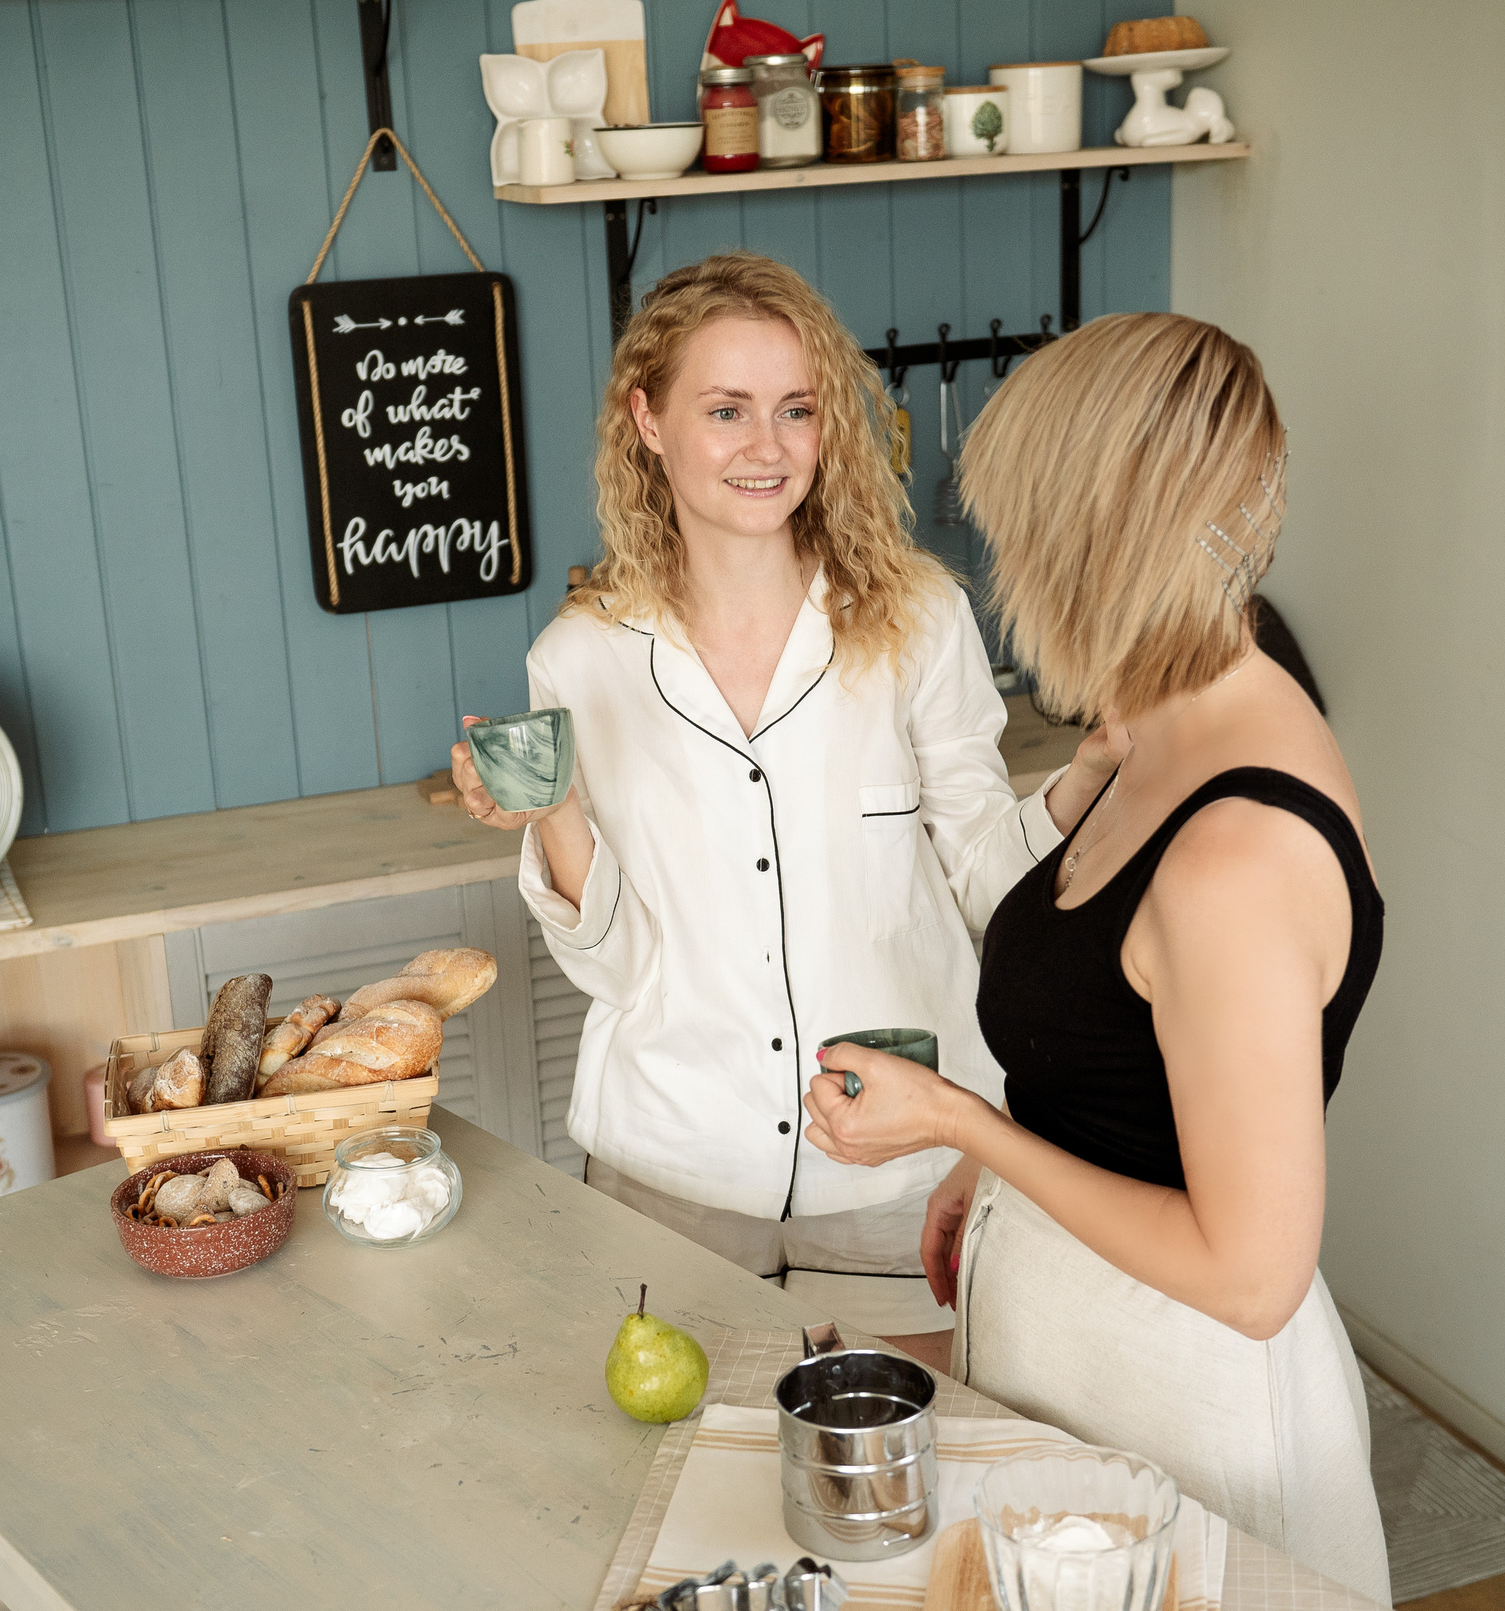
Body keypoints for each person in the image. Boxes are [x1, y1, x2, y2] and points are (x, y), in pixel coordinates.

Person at [799, 313, 1393, 1605]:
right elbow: (1124, 1040)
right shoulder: (1166, 711)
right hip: (1081, 1353)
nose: (1005, 564)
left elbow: (1250, 1276)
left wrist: (961, 1119)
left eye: (1017, 530)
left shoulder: (1234, 856)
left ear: (1092, 543)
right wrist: (991, 1158)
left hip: (1190, 1410)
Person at [451, 252, 1116, 1339]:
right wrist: (553, 809)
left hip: (894, 1162)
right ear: (648, 422)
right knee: (670, 1482)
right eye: (726, 410)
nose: (767, 447)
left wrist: (1088, 773)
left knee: (895, 1477)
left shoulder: (919, 620)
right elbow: (614, 969)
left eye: (796, 410)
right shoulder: (583, 657)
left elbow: (991, 883)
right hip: (672, 1167)